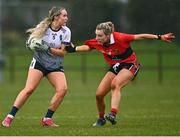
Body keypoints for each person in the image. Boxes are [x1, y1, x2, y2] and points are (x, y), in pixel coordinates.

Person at [65, 21, 175, 126]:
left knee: (115, 84)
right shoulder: (98, 41)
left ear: (108, 35)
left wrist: (160, 37)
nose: (97, 38)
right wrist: (74, 49)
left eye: (100, 35)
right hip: (116, 66)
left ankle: (113, 114)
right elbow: (89, 47)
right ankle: (101, 119)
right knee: (99, 95)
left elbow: (140, 36)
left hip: (130, 65)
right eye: (96, 35)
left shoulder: (120, 38)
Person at [2, 6, 71, 127]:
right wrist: (31, 45)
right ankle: (9, 117)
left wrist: (47, 48)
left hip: (55, 65)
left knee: (63, 89)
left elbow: (62, 53)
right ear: (56, 17)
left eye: (66, 15)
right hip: (39, 62)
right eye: (64, 15)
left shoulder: (66, 31)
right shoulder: (42, 27)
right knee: (29, 89)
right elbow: (30, 43)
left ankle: (47, 119)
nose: (66, 18)